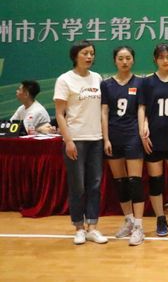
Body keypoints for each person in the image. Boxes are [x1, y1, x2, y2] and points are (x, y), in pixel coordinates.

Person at [53, 40, 108, 245]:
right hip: (75, 139)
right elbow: (60, 114)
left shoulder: (97, 78)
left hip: (96, 139)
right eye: (85, 53)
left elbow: (102, 110)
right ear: (75, 55)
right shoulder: (65, 79)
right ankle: (79, 227)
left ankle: (92, 227)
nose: (89, 57)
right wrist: (68, 140)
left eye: (92, 53)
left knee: (95, 185)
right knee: (78, 186)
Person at [138, 43, 168, 239]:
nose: (165, 60)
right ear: (155, 59)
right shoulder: (147, 82)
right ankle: (160, 218)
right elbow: (142, 107)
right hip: (154, 138)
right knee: (156, 182)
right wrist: (143, 128)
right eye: (161, 57)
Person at [101, 46, 146, 246]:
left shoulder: (140, 83)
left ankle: (139, 226)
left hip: (132, 136)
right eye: (120, 58)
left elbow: (141, 109)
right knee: (120, 182)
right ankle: (128, 219)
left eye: (128, 58)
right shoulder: (106, 85)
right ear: (115, 61)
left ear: (133, 60)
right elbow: (104, 112)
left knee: (135, 181)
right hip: (113, 136)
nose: (124, 62)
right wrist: (106, 138)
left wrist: (141, 133)